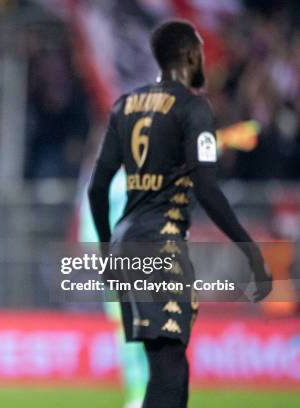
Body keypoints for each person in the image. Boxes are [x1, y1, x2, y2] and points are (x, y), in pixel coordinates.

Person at [88, 20, 271, 408]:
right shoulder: (192, 107)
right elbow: (206, 188)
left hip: (126, 247)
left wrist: (107, 253)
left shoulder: (125, 106)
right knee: (170, 369)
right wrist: (250, 251)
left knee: (167, 366)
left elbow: (96, 188)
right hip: (160, 247)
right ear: (190, 57)